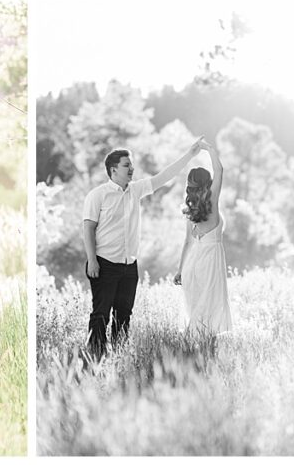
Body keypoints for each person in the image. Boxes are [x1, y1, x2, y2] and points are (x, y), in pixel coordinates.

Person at [81, 137, 207, 359]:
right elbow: (88, 229)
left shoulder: (136, 190)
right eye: (126, 165)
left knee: (124, 314)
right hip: (104, 263)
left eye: (131, 165)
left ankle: (118, 356)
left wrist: (190, 155)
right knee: (101, 313)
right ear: (113, 170)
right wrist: (92, 260)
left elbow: (165, 177)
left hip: (129, 266)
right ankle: (95, 358)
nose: (132, 169)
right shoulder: (97, 195)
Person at [174, 141, 232, 334]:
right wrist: (210, 150)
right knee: (209, 310)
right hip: (209, 260)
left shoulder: (190, 208)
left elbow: (187, 242)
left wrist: (180, 271)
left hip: (192, 263)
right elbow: (220, 170)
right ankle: (198, 349)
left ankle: (193, 350)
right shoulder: (212, 199)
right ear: (208, 182)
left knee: (198, 310)